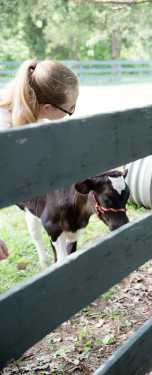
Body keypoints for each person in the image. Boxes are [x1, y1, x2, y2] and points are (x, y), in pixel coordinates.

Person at [0, 60, 80, 259]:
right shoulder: (4, 130)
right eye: (70, 109)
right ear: (46, 108)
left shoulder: (28, 112)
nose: (72, 112)